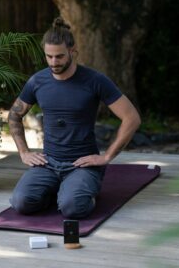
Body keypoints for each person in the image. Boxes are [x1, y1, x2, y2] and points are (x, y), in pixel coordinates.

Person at [8, 17, 141, 219]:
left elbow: (131, 118)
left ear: (73, 51)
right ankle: (61, 191)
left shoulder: (95, 80)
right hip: (48, 163)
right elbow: (14, 115)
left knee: (73, 208)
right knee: (21, 202)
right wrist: (24, 152)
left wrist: (106, 157)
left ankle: (76, 194)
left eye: (59, 56)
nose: (54, 62)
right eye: (49, 57)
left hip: (83, 163)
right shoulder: (37, 81)